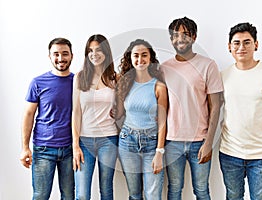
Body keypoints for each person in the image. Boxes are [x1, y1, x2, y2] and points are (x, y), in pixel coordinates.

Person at [219, 22, 262, 200]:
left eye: (247, 42)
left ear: (256, 44)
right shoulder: (222, 76)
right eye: (236, 43)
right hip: (229, 152)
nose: (241, 47)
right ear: (229, 47)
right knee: (233, 197)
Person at [161, 17, 223, 200]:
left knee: (202, 190)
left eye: (185, 34)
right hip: (172, 141)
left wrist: (208, 142)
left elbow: (216, 106)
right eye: (175, 35)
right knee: (174, 189)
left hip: (199, 140)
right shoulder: (164, 68)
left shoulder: (208, 65)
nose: (180, 39)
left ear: (194, 37)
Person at [19, 37, 75, 200]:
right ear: (49, 56)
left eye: (65, 54)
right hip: (44, 148)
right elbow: (28, 115)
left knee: (69, 195)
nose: (60, 58)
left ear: (72, 55)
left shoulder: (78, 82)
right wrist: (24, 147)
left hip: (70, 149)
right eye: (56, 54)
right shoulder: (38, 82)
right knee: (41, 195)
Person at [115, 39, 168, 200]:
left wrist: (159, 152)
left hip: (152, 143)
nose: (140, 59)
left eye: (144, 55)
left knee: (153, 195)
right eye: (136, 56)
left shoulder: (158, 86)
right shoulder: (124, 82)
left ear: (150, 58)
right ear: (130, 59)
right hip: (127, 141)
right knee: (134, 194)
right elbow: (119, 114)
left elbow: (162, 121)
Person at [72, 34, 118, 200]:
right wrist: (75, 145)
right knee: (82, 194)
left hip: (109, 138)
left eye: (98, 50)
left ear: (105, 52)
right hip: (84, 140)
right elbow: (76, 112)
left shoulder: (115, 77)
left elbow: (123, 109)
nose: (94, 54)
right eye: (90, 51)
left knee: (106, 190)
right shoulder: (79, 77)